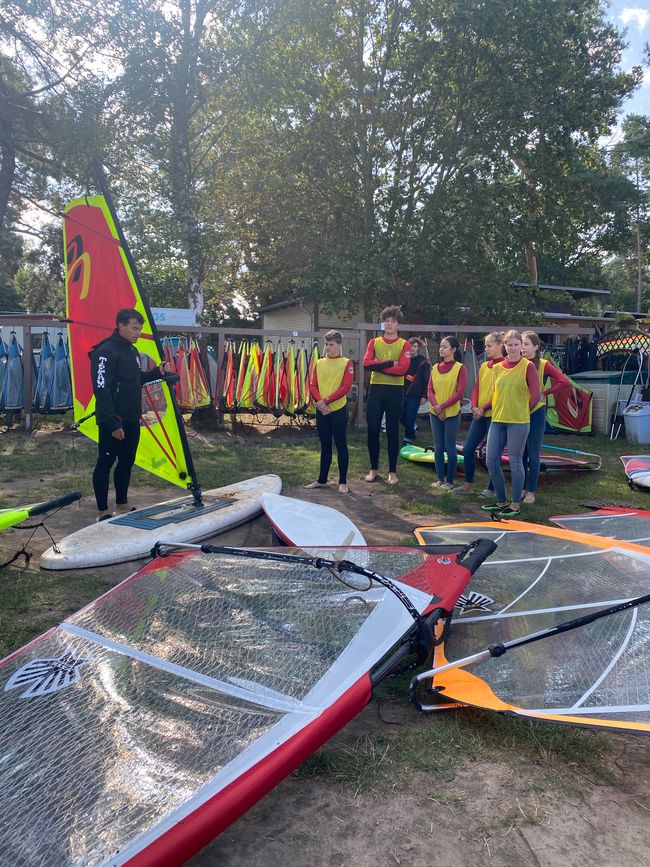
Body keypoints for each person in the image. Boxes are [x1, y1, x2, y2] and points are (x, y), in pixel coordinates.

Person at [90, 308, 170, 521]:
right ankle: (102, 512)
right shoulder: (105, 352)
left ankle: (122, 506)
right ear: (121, 325)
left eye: (140, 328)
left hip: (132, 417)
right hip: (112, 419)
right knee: (105, 463)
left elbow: (134, 380)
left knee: (126, 462)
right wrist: (112, 422)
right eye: (135, 328)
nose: (138, 332)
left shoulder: (131, 351)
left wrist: (156, 373)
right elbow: (101, 389)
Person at [482, 329, 540, 518]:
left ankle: (515, 504)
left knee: (515, 461)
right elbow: (496, 393)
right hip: (498, 419)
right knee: (491, 460)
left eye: (517, 344)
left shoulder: (527, 366)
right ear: (504, 346)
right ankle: (501, 500)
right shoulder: (497, 368)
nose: (514, 348)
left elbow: (536, 395)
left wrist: (524, 411)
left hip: (518, 421)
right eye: (510, 344)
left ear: (521, 346)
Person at [521, 330, 570, 504]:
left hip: (536, 412)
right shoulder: (518, 363)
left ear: (535, 346)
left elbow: (564, 381)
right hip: (520, 413)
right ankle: (523, 488)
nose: (522, 347)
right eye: (522, 343)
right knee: (521, 454)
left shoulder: (543, 364)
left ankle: (531, 492)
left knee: (533, 453)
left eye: (526, 344)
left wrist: (546, 392)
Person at [363, 305, 411, 485]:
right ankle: (374, 469)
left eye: (393, 321)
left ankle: (392, 471)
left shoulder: (404, 344)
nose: (389, 324)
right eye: (387, 321)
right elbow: (367, 364)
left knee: (392, 431)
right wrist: (391, 362)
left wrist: (379, 365)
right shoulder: (374, 342)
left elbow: (403, 370)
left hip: (395, 391)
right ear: (383, 324)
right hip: (376, 389)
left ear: (398, 325)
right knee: (373, 430)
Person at [305, 330, 354, 493]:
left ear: (339, 345)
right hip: (322, 410)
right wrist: (319, 402)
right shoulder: (319, 362)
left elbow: (345, 387)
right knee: (325, 445)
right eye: (326, 344)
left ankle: (343, 481)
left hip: (338, 409)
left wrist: (325, 401)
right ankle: (322, 479)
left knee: (341, 445)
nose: (328, 347)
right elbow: (313, 385)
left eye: (331, 344)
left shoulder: (347, 362)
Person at [456, 332, 504, 495]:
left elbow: (499, 392)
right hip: (479, 414)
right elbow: (477, 387)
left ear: (500, 346)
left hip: (495, 415)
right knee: (469, 448)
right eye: (486, 346)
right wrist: (475, 406)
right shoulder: (484, 366)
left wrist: (483, 407)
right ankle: (468, 484)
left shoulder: (505, 366)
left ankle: (492, 488)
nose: (486, 349)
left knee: (493, 454)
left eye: (489, 346)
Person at [428, 336, 466, 490]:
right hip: (435, 413)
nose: (441, 349)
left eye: (445, 346)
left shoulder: (460, 368)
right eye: (441, 346)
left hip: (451, 413)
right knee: (438, 446)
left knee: (450, 446)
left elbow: (459, 392)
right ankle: (439, 478)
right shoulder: (435, 368)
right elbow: (430, 389)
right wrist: (436, 407)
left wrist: (442, 406)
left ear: (453, 349)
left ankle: (449, 481)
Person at [401, 337, 431, 445]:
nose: (412, 349)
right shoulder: (404, 360)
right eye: (410, 346)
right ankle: (413, 427)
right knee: (400, 416)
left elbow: (427, 379)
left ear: (418, 348)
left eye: (415, 346)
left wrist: (424, 395)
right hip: (402, 393)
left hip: (415, 394)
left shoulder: (423, 362)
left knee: (410, 416)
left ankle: (408, 439)